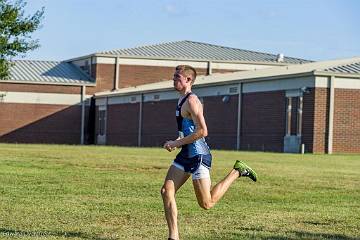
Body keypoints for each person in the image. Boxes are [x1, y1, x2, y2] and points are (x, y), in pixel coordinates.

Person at [161, 65, 257, 240]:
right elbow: (189, 129)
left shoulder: (192, 101)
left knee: (207, 203)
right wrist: (178, 142)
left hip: (198, 155)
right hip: (186, 153)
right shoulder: (181, 99)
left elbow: (203, 131)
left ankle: (238, 171)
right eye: (174, 76)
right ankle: (173, 236)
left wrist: (176, 142)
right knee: (166, 191)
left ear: (188, 80)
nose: (174, 79)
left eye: (177, 77)